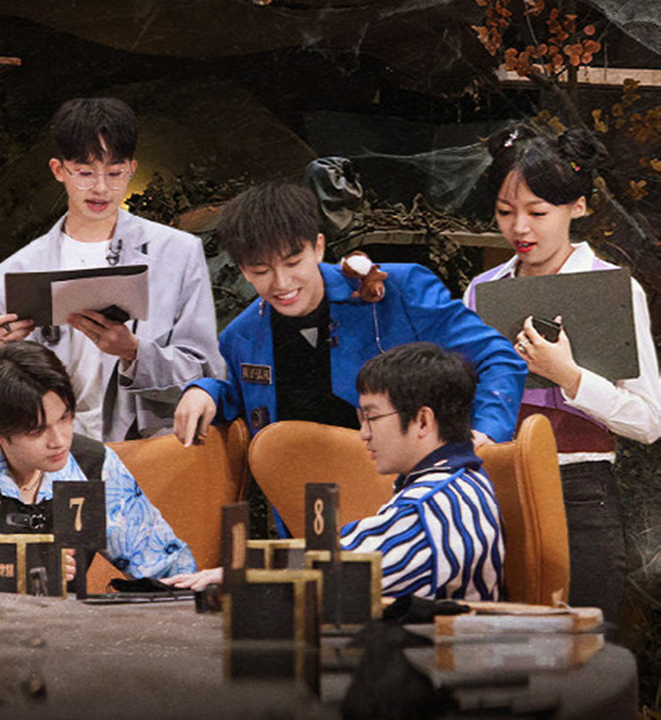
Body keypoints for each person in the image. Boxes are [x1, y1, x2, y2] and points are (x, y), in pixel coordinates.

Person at [464, 124, 661, 623]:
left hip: (579, 491)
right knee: (494, 644)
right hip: (493, 489)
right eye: (505, 212)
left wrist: (569, 377)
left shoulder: (613, 289)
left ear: (577, 206)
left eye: (537, 213)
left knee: (579, 647)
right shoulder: (482, 290)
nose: (520, 229)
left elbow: (649, 420)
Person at [173, 181, 526, 451]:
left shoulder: (399, 290)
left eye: (293, 263)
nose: (281, 283)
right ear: (243, 271)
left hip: (414, 497)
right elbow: (237, 396)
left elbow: (497, 357)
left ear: (318, 247)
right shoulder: (241, 336)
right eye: (261, 271)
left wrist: (486, 433)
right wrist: (205, 391)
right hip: (307, 507)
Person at [169, 343, 504, 601]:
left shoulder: (429, 507)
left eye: (373, 418)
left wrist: (240, 576)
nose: (364, 434)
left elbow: (331, 574)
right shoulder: (462, 480)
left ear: (423, 421)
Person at [0, 97, 223, 442]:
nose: (100, 188)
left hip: (147, 451)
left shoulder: (178, 254)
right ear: (58, 170)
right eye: (84, 173)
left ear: (132, 169)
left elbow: (207, 374)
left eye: (114, 173)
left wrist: (134, 352)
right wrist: (4, 354)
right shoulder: (9, 277)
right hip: (54, 453)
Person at [0, 340, 197, 589]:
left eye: (65, 418)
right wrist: (19, 563)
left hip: (67, 631)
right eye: (37, 431)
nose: (59, 441)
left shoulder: (92, 466)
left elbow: (166, 566)